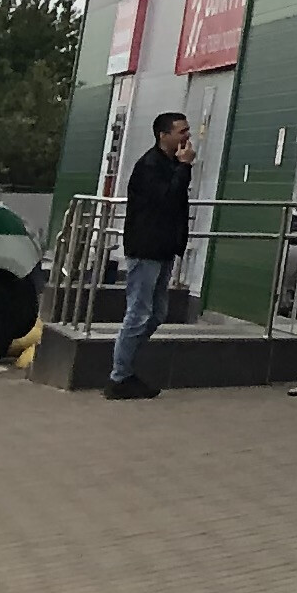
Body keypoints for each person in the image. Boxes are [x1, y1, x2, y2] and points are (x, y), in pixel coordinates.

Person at [107, 111, 196, 398]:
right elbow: (166, 199)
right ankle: (119, 376)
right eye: (181, 131)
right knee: (139, 312)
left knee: (157, 313)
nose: (187, 137)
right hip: (146, 249)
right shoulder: (149, 165)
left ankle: (126, 364)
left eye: (188, 130)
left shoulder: (171, 164)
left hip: (163, 248)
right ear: (163, 135)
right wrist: (184, 167)